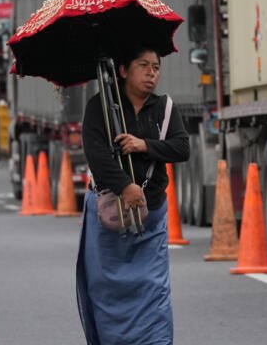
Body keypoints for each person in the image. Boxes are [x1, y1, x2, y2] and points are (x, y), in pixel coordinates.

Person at [76, 46, 190, 345]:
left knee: (153, 289)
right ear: (124, 70)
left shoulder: (165, 108)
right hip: (108, 213)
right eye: (143, 66)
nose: (151, 73)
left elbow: (182, 148)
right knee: (104, 288)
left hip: (151, 215)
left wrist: (144, 145)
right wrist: (126, 186)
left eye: (156, 67)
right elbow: (96, 154)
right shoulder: (100, 107)